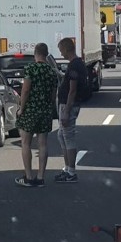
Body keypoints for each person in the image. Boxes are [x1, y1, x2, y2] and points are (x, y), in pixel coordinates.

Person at [14, 43, 58, 187]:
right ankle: (40, 177)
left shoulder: (31, 69)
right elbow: (53, 94)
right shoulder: (51, 72)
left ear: (35, 53)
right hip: (45, 111)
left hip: (30, 111)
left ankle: (28, 176)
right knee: (43, 144)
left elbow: (25, 90)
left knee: (26, 143)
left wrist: (21, 108)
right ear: (46, 54)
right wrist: (48, 106)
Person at [55, 37, 90, 183]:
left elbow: (72, 90)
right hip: (68, 104)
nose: (61, 53)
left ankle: (71, 171)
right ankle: (67, 168)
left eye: (61, 50)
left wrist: (67, 111)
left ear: (66, 49)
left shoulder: (75, 65)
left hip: (69, 105)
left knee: (68, 136)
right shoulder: (76, 64)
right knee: (61, 135)